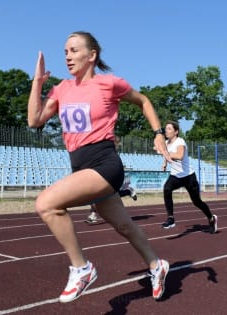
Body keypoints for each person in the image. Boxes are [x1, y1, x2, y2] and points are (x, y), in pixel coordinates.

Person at [27, 31, 172, 303]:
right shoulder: (61, 89)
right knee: (124, 226)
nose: (67, 56)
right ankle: (156, 265)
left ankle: (81, 268)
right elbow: (34, 120)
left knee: (46, 204)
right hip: (81, 167)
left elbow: (143, 101)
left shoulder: (109, 84)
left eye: (73, 50)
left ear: (91, 55)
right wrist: (37, 83)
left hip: (105, 164)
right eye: (65, 52)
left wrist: (158, 133)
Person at [161, 121, 218, 234]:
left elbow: (180, 156)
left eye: (169, 129)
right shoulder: (166, 143)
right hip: (176, 176)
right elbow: (167, 154)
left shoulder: (180, 141)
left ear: (176, 132)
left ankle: (211, 218)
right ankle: (171, 218)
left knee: (197, 202)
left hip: (188, 177)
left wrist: (164, 153)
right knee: (167, 189)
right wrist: (165, 163)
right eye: (166, 128)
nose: (166, 131)